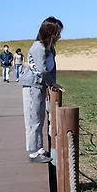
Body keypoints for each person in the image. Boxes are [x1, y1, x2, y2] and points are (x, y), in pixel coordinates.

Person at [20, 17, 64, 163]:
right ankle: (33, 152)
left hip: (41, 85)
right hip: (33, 85)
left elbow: (51, 69)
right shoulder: (38, 48)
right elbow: (42, 70)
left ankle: (38, 148)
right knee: (34, 119)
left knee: (40, 118)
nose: (60, 36)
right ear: (50, 33)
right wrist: (52, 83)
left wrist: (52, 83)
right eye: (58, 32)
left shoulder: (50, 48)